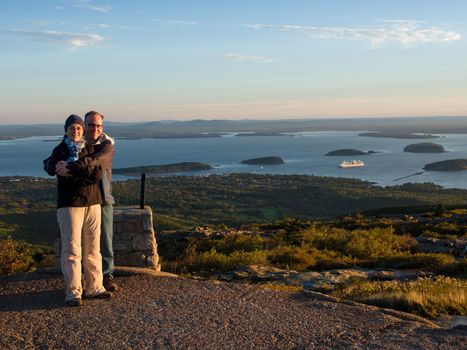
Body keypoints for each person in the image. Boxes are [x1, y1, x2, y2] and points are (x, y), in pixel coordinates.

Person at [44, 114, 112, 306]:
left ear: (83, 131)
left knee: (93, 248)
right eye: (72, 128)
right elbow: (58, 172)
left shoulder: (91, 149)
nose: (75, 131)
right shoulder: (60, 150)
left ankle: (95, 287)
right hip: (70, 204)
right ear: (66, 130)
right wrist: (80, 172)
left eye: (79, 128)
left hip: (92, 202)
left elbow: (96, 176)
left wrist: (73, 169)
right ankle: (73, 292)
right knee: (72, 248)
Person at [55, 111, 117, 292]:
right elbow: (53, 160)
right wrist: (53, 165)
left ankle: (106, 276)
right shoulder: (73, 144)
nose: (94, 129)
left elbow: (97, 162)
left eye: (98, 125)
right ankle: (80, 282)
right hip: (78, 199)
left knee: (102, 241)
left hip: (102, 197)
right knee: (75, 243)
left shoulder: (106, 145)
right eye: (90, 125)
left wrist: (71, 167)